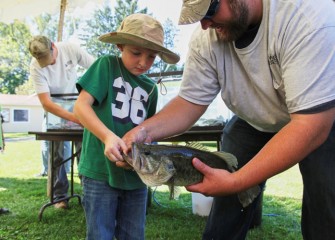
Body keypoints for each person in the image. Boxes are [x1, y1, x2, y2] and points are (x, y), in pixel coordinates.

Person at [121, 0, 335, 239]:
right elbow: (190, 102)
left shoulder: (308, 17)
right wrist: (143, 132)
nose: (204, 25)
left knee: (325, 198)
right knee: (227, 204)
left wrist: (237, 181)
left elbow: (310, 125)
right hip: (252, 118)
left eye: (209, 11)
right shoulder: (206, 38)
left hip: (321, 116)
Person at [73, 13, 179, 240]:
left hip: (136, 175)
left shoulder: (151, 87)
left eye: (151, 57)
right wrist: (108, 137)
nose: (143, 62)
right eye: (136, 53)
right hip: (99, 169)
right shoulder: (106, 66)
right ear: (120, 45)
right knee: (100, 233)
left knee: (134, 234)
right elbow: (81, 107)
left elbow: (148, 132)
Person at [29, 35, 95, 209]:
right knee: (56, 154)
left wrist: (87, 103)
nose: (48, 64)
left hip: (76, 105)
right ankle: (59, 197)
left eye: (49, 60)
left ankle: (89, 194)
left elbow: (96, 67)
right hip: (54, 111)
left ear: (53, 46)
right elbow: (46, 103)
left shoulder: (70, 49)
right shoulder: (35, 67)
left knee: (84, 151)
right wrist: (75, 119)